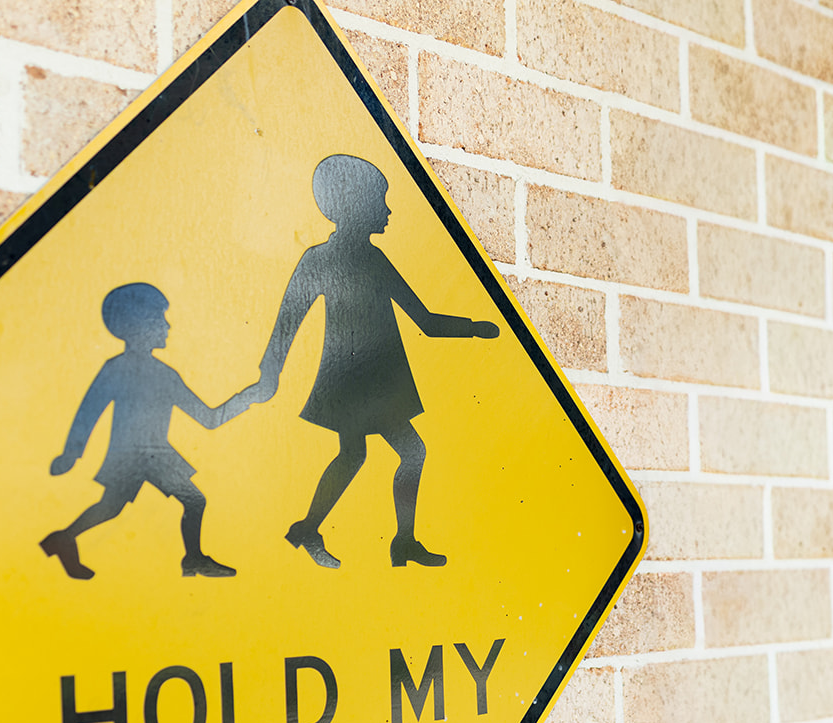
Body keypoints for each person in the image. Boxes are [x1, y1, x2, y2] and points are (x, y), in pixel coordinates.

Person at [243, 154, 499, 569]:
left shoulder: (375, 258)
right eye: (381, 201)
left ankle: (384, 540)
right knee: (384, 454)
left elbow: (427, 321)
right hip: (349, 380)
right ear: (357, 205)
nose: (388, 210)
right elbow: (289, 318)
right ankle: (333, 532)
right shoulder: (319, 259)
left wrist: (472, 327)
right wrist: (268, 375)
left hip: (380, 380)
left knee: (383, 454)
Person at [40, 283, 245, 580]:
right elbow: (90, 409)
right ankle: (193, 559)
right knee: (186, 500)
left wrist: (246, 398)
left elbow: (208, 418)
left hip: (154, 453)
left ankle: (64, 538)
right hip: (134, 456)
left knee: (113, 506)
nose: (167, 326)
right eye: (159, 319)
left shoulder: (165, 374)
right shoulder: (117, 369)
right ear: (137, 326)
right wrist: (72, 453)